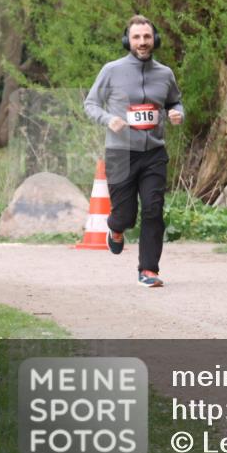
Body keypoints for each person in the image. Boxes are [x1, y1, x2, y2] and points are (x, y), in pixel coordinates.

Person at [84, 15, 185, 288]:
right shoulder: (111, 70)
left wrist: (177, 113)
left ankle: (148, 270)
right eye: (137, 37)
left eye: (147, 37)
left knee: (153, 210)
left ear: (155, 40)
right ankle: (116, 228)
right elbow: (90, 104)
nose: (142, 42)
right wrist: (109, 119)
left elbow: (175, 102)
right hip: (121, 152)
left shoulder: (165, 74)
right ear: (127, 40)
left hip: (154, 152)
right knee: (126, 215)